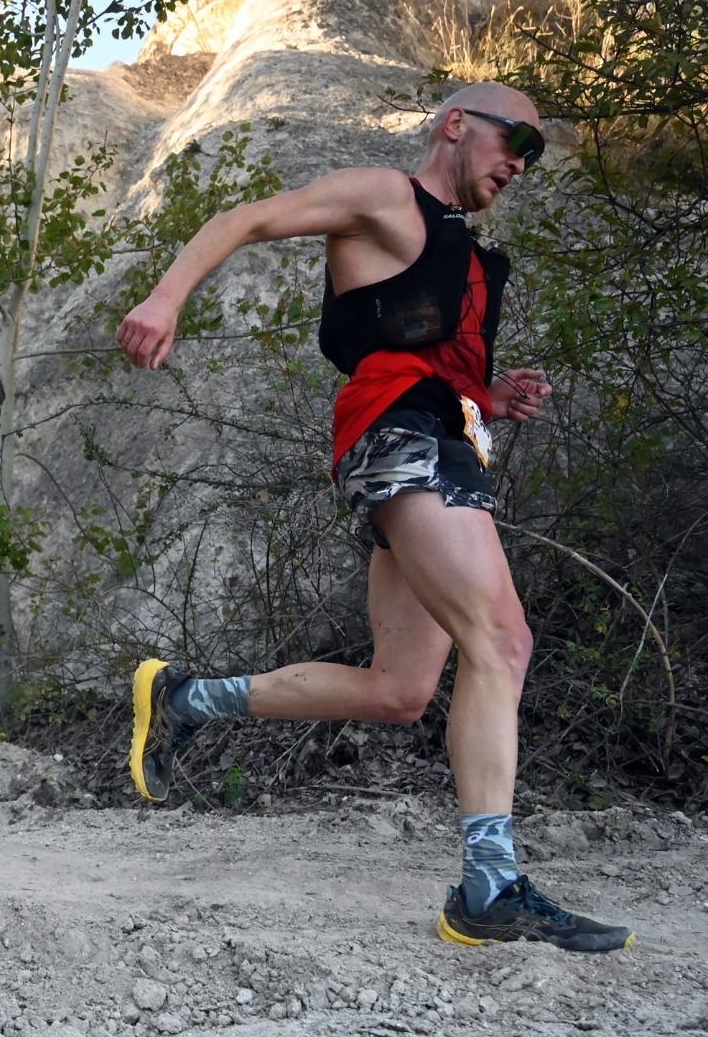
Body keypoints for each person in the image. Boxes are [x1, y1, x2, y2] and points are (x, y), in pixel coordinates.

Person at [116, 82, 636, 953]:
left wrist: (486, 394)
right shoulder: (387, 196)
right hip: (400, 441)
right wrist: (166, 299)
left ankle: (185, 698)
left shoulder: (462, 254)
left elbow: (419, 349)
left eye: (532, 157)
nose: (520, 165)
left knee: (400, 691)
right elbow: (244, 218)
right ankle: (491, 886)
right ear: (456, 125)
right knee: (502, 642)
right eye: (516, 142)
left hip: (431, 438)